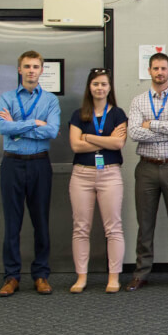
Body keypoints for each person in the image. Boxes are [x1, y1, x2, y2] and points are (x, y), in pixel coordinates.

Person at [125, 52, 168, 291]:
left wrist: (152, 125)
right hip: (146, 168)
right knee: (145, 224)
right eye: (155, 68)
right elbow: (134, 132)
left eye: (163, 68)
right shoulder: (138, 101)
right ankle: (141, 273)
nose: (159, 72)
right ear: (149, 71)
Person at [0, 50, 61, 297]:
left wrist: (17, 127)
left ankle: (41, 275)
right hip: (11, 164)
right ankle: (11, 276)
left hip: (39, 164)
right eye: (27, 66)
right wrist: (34, 123)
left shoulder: (50, 101)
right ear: (19, 69)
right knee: (12, 223)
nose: (31, 70)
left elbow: (52, 131)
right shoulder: (6, 97)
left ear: (41, 70)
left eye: (35, 66)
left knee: (41, 222)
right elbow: (3, 127)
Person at [68, 68, 127, 294]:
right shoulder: (78, 114)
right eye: (95, 84)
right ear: (89, 87)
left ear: (110, 88)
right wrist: (106, 140)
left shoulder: (118, 114)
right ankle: (81, 277)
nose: (99, 88)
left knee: (113, 228)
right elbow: (75, 146)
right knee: (81, 228)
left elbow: (118, 144)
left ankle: (114, 277)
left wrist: (88, 137)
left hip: (110, 174)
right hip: (82, 175)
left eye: (103, 84)